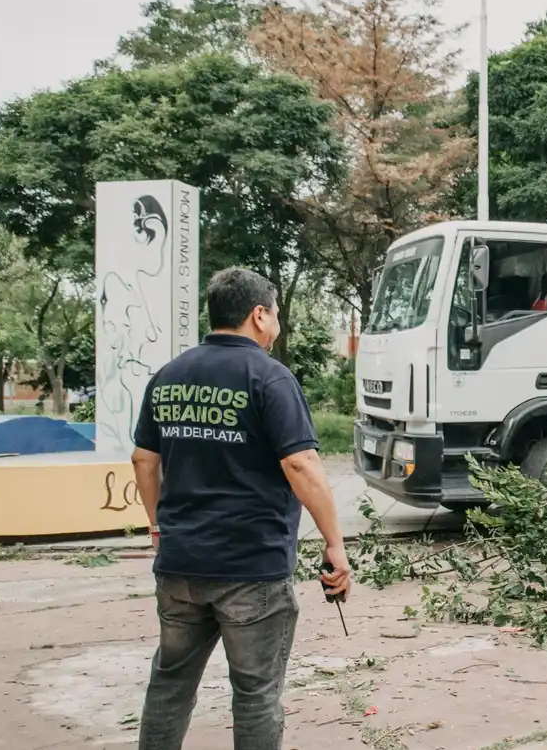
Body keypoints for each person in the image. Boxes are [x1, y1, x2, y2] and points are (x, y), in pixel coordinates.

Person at [130, 267, 352, 750]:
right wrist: (335, 544)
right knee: (255, 694)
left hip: (180, 567)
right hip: (251, 569)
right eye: (275, 315)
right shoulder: (270, 378)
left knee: (169, 684)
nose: (276, 326)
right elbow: (300, 464)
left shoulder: (168, 376)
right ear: (259, 315)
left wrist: (157, 526)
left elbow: (143, 460)